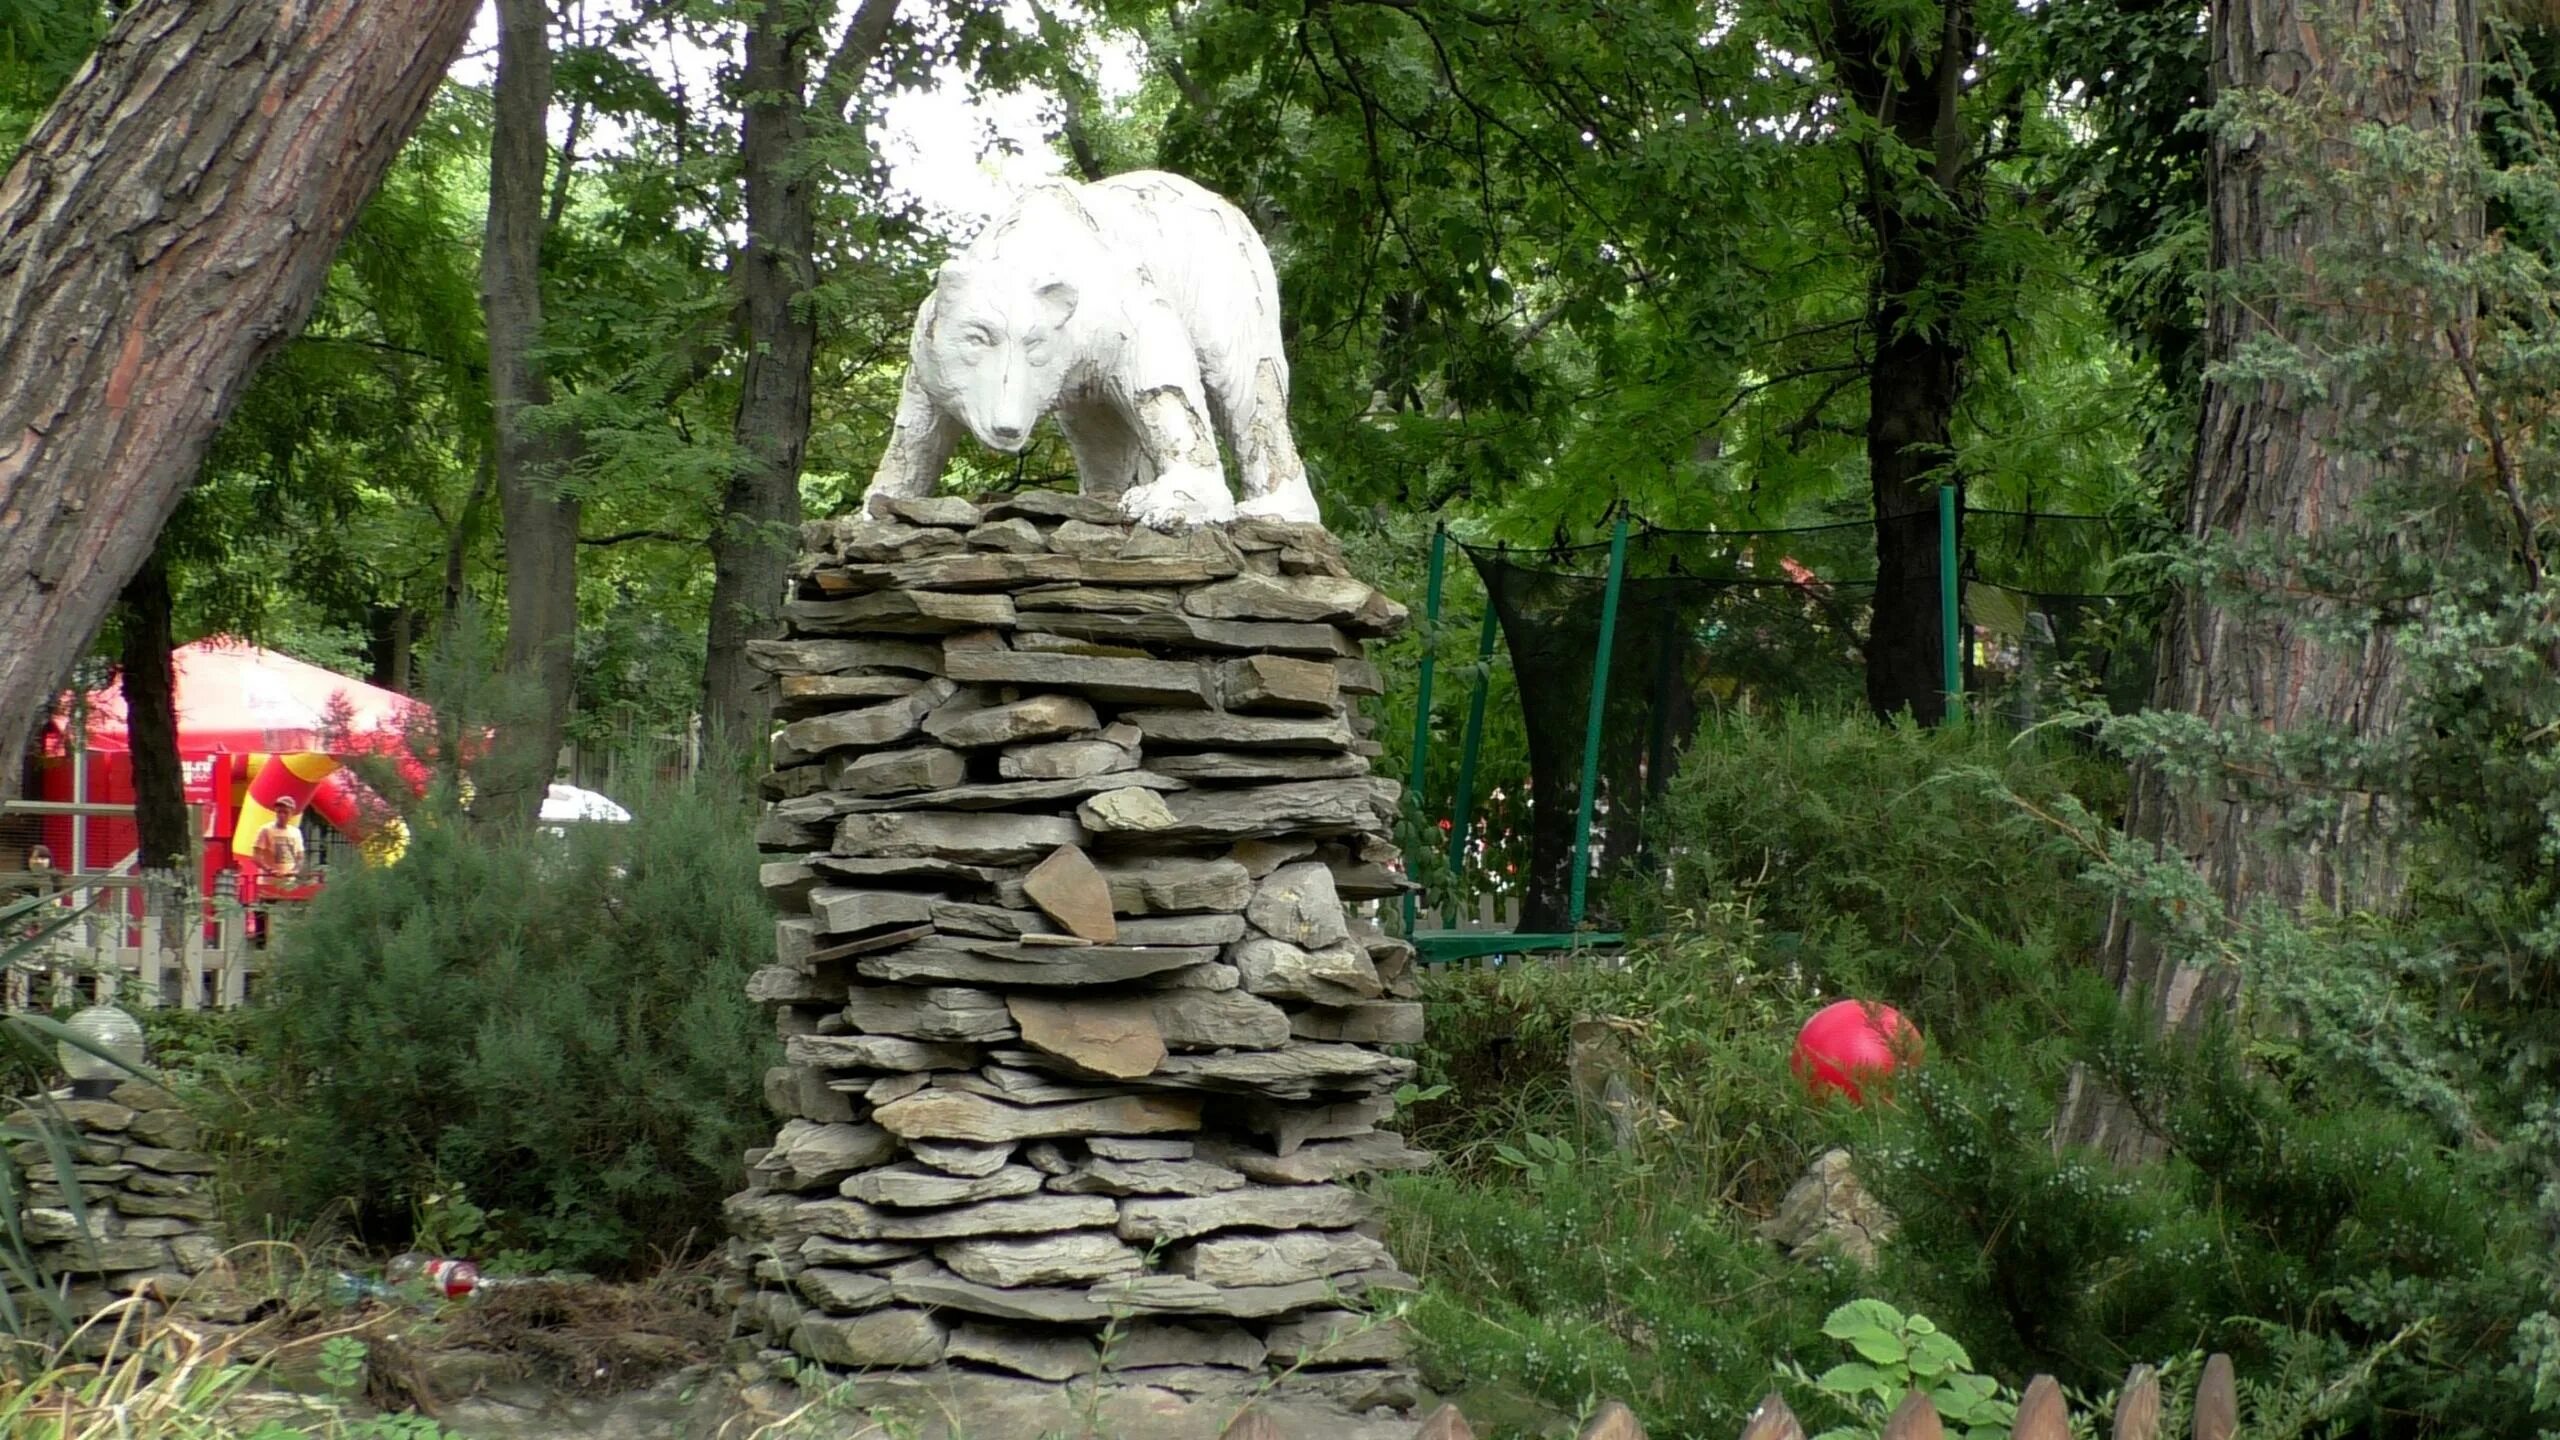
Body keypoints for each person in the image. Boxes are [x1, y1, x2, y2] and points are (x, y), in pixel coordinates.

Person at [252, 795, 306, 893]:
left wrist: (295, 870)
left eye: (285, 812)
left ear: (292, 813)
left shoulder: (296, 832)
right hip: (268, 883)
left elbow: (300, 856)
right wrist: (270, 870)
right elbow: (256, 856)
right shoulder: (266, 830)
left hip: (289, 884)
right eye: (279, 812)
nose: (282, 815)